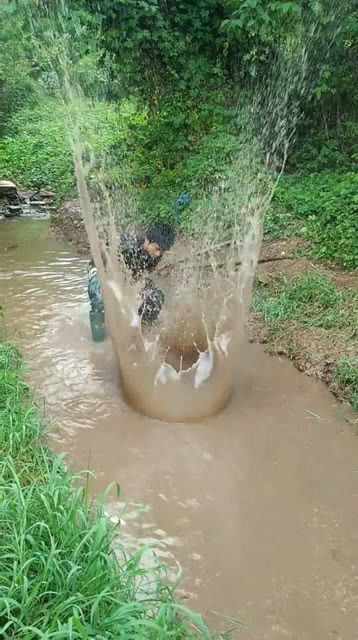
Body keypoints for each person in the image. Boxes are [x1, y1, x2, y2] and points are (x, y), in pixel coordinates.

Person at [87, 223, 175, 331]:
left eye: (161, 251)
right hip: (101, 269)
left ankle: (141, 331)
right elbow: (113, 272)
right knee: (98, 296)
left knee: (155, 298)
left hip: (128, 274)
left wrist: (140, 289)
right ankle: (99, 337)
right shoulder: (128, 246)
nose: (158, 254)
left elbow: (142, 275)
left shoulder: (155, 255)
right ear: (147, 240)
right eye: (157, 249)